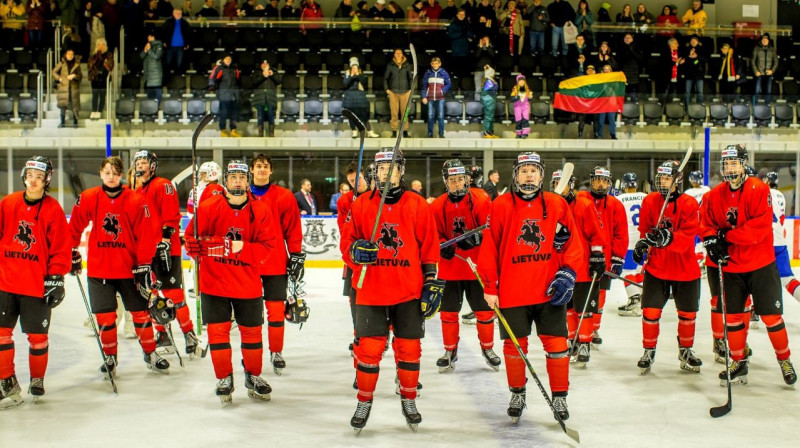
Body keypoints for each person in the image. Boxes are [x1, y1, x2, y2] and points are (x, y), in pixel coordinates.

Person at [477, 151, 580, 424]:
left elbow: (573, 244)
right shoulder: (500, 205)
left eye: (534, 170)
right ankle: (517, 393)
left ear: (542, 175)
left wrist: (568, 272)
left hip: (549, 289)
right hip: (512, 290)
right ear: (515, 175)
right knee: (514, 346)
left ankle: (559, 396)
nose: (529, 174)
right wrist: (490, 286)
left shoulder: (557, 205)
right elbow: (489, 248)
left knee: (557, 344)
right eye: (524, 170)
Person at [343, 148, 440, 433]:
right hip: (371, 291)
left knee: (409, 350)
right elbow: (347, 244)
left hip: (408, 292)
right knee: (369, 350)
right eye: (382, 168)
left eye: (392, 167)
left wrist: (431, 280)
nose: (387, 172)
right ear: (375, 172)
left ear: (401, 171)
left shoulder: (417, 204)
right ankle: (364, 400)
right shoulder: (361, 204)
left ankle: (409, 399)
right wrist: (355, 251)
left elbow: (429, 248)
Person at [701, 144, 796, 387]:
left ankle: (784, 360)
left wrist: (725, 237)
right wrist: (711, 238)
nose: (730, 168)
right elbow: (707, 223)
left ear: (744, 164)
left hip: (760, 265)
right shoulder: (714, 195)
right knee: (733, 318)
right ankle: (738, 361)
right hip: (732, 268)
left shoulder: (758, 189)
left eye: (734, 163)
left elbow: (757, 231)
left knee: (771, 317)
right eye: (726, 163)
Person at [69, 156, 170, 380]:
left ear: (122, 175)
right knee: (105, 317)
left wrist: (144, 264)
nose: (111, 177)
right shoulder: (89, 197)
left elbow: (146, 234)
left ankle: (150, 353)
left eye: (115, 173)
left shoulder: (135, 200)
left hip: (129, 270)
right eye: (107, 173)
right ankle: (110, 357)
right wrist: (71, 251)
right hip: (100, 270)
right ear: (101, 173)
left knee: (141, 314)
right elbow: (75, 225)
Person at [185, 160, 277, 404]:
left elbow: (268, 249)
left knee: (252, 333)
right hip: (214, 284)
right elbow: (191, 240)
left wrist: (238, 248)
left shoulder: (261, 210)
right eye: (233, 176)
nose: (237, 180)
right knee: (217, 333)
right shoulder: (207, 207)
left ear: (248, 181)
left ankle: (253, 375)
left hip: (247, 285)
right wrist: (194, 247)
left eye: (241, 177)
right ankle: (224, 377)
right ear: (225, 179)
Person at [0, 157, 70, 408]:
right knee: (1, 335)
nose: (33, 180)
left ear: (46, 180)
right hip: (6, 282)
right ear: (24, 175)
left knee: (38, 337)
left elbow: (61, 247)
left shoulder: (52, 209)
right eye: (30, 175)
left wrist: (57, 277)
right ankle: (7, 382)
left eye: (39, 177)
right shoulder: (7, 203)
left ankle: (37, 379)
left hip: (35, 285)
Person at [632, 160, 703, 374]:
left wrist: (667, 237)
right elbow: (645, 229)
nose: (663, 181)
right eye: (661, 177)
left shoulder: (689, 204)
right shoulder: (650, 201)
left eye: (667, 177)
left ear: (677, 180)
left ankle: (685, 350)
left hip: (686, 270)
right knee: (650, 312)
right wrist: (643, 244)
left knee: (687, 315)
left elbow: (686, 240)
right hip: (657, 268)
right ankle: (649, 350)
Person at [131, 150, 200, 357]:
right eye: (138, 162)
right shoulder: (137, 191)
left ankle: (188, 334)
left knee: (174, 295)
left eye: (144, 162)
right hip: (145, 252)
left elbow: (171, 216)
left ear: (152, 165)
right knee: (150, 295)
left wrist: (165, 241)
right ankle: (162, 334)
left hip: (165, 250)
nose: (140, 166)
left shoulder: (163, 185)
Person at [432, 159, 498, 373]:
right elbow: (433, 234)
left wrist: (478, 238)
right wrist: (441, 245)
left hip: (476, 267)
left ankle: (488, 349)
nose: (458, 183)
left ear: (467, 179)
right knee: (448, 313)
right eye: (453, 180)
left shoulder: (481, 198)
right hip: (450, 268)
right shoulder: (437, 205)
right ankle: (450, 351)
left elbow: (490, 229)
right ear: (446, 181)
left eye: (461, 178)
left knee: (484, 313)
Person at [247, 155, 304, 375]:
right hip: (248, 262)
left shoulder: (284, 196)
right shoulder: (240, 195)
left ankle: (276, 351)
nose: (262, 170)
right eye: (258, 166)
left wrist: (296, 254)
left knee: (275, 310)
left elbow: (292, 228)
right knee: (251, 314)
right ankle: (252, 353)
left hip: (275, 262)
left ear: (271, 171)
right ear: (251, 170)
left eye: (266, 167)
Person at [550, 170, 606, 368]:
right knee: (569, 309)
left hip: (582, 268)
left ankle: (585, 344)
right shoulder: (550, 205)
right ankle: (572, 342)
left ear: (570, 185)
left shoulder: (584, 205)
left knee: (585, 310)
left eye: (562, 183)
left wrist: (597, 257)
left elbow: (596, 234)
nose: (559, 186)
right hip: (561, 268)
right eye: (556, 182)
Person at [577, 166, 627, 346]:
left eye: (604, 180)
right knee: (580, 296)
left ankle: (594, 327)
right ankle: (580, 328)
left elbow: (620, 233)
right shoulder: (581, 200)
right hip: (581, 257)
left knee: (600, 295)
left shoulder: (615, 205)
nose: (600, 183)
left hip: (603, 259)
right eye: (597, 179)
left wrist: (618, 258)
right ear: (591, 181)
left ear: (609, 183)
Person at [765, 172, 800, 304]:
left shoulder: (763, 193)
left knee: (753, 277)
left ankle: (754, 311)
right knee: (788, 279)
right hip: (780, 240)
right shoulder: (781, 196)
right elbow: (781, 218)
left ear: (767, 181)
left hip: (765, 242)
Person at [616, 172, 646, 316]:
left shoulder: (620, 198)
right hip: (644, 239)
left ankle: (634, 300)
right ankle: (643, 300)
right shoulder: (645, 196)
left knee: (628, 271)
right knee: (640, 269)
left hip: (628, 240)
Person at [343, 57, 379, 138]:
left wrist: (358, 75)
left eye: (356, 66)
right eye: (353, 66)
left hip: (360, 96)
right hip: (350, 96)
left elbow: (364, 82)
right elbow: (345, 83)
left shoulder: (361, 74)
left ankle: (370, 132)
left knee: (364, 115)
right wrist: (351, 76)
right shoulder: (348, 73)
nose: (354, 68)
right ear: (350, 66)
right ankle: (354, 131)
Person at [384, 48, 414, 138]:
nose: (398, 54)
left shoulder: (407, 65)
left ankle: (404, 131)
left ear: (402, 54)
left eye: (400, 53)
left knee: (405, 113)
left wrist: (410, 90)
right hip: (393, 92)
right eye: (396, 53)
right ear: (394, 54)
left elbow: (411, 78)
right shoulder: (390, 65)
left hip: (405, 92)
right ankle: (394, 131)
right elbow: (385, 78)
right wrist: (387, 89)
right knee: (394, 113)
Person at [210, 55, 241, 138]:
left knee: (234, 114)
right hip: (224, 94)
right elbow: (212, 78)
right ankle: (223, 130)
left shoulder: (235, 69)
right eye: (226, 58)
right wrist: (212, 86)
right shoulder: (219, 68)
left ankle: (233, 130)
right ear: (223, 60)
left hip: (234, 95)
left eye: (230, 59)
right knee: (223, 113)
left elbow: (238, 80)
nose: (228, 60)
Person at [421, 57, 451, 138]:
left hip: (440, 98)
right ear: (431, 64)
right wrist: (424, 96)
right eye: (433, 63)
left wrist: (442, 91)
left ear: (440, 64)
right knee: (430, 116)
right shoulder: (427, 73)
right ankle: (430, 133)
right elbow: (424, 86)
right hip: (430, 98)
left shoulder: (444, 73)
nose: (435, 65)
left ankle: (441, 133)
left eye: (436, 63)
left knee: (440, 116)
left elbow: (449, 84)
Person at [252, 58, 282, 138]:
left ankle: (271, 133)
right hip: (260, 97)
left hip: (270, 97)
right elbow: (254, 82)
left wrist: (272, 75)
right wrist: (263, 75)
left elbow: (279, 81)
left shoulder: (274, 72)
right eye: (263, 64)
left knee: (271, 115)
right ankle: (260, 133)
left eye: (266, 64)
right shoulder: (257, 72)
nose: (264, 65)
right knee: (260, 115)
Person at [53, 49, 82, 128]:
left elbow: (80, 76)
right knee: (63, 105)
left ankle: (75, 121)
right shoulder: (61, 63)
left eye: (72, 54)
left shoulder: (76, 64)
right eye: (68, 54)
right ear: (65, 55)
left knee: (74, 105)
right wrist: (59, 78)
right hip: (64, 86)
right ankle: (62, 121)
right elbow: (54, 72)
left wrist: (74, 76)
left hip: (73, 86)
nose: (70, 56)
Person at [87, 38, 114, 120]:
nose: (100, 46)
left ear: (105, 46)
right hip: (95, 77)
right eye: (99, 44)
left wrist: (104, 63)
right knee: (95, 95)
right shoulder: (93, 55)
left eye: (102, 44)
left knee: (102, 95)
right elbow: (89, 66)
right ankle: (94, 110)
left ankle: (99, 111)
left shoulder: (108, 55)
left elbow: (110, 65)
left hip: (104, 77)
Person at [752, 33, 778, 105]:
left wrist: (772, 70)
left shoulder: (772, 49)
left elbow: (776, 61)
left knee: (768, 91)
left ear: (768, 41)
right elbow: (753, 61)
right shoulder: (756, 48)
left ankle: (767, 105)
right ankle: (755, 105)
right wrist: (756, 71)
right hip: (759, 73)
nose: (764, 41)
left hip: (768, 73)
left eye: (766, 39)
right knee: (756, 90)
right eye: (763, 39)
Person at [446, 8, 473, 78]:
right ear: (457, 15)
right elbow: (451, 35)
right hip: (456, 51)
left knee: (465, 71)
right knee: (456, 71)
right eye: (460, 14)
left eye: (463, 15)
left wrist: (466, 33)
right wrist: (461, 33)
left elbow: (471, 34)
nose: (461, 16)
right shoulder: (453, 24)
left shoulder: (468, 24)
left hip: (465, 50)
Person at [161, 8, 190, 73]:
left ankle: (178, 80)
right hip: (170, 46)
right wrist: (164, 41)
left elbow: (189, 34)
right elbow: (163, 32)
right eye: (177, 13)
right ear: (173, 14)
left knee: (179, 64)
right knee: (168, 63)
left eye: (180, 13)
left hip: (181, 46)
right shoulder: (168, 22)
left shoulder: (185, 23)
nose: (178, 14)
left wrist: (187, 43)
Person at [617, 33, 642, 101]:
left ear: (632, 39)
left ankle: (634, 109)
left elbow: (640, 58)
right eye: (626, 38)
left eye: (629, 37)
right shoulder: (620, 48)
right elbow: (619, 60)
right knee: (623, 96)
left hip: (633, 74)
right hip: (623, 73)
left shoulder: (636, 47)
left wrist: (631, 49)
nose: (627, 39)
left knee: (633, 95)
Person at [682, 35, 706, 107]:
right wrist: (689, 56)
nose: (693, 42)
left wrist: (697, 57)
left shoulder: (702, 49)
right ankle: (687, 107)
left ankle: (700, 107)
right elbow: (684, 60)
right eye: (692, 41)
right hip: (688, 73)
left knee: (700, 92)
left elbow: (705, 59)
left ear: (698, 42)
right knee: (687, 92)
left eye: (695, 40)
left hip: (699, 74)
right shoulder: (686, 49)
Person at [141, 30, 163, 103]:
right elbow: (141, 56)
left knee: (157, 97)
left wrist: (149, 50)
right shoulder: (147, 45)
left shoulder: (159, 45)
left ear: (153, 37)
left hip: (156, 75)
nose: (148, 37)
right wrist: (145, 50)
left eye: (149, 36)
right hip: (148, 75)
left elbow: (156, 56)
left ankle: (157, 109)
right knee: (150, 98)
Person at [659, 38, 682, 105]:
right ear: (671, 44)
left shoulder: (678, 53)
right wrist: (676, 63)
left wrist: (680, 63)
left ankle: (668, 110)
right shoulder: (664, 52)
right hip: (666, 77)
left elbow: (678, 63)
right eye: (676, 43)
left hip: (675, 77)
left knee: (671, 95)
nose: (678, 45)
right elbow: (665, 64)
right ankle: (662, 110)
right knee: (664, 95)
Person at [472, 35, 496, 101]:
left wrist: (488, 47)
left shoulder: (492, 47)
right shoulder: (477, 47)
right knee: (478, 89)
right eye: (484, 40)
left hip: (489, 72)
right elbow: (476, 56)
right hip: (478, 71)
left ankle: (488, 103)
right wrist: (480, 47)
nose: (485, 42)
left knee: (489, 89)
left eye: (486, 40)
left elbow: (493, 56)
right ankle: (477, 103)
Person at [510, 74, 532, 139]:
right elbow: (512, 98)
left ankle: (525, 133)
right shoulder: (515, 89)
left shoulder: (527, 89)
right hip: (517, 106)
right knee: (518, 120)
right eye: (520, 81)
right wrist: (518, 97)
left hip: (525, 106)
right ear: (518, 81)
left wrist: (530, 97)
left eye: (523, 81)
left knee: (525, 119)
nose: (521, 82)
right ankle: (518, 134)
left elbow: (530, 97)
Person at [480, 64, 499, 138]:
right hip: (488, 101)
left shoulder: (490, 81)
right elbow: (493, 90)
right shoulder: (488, 81)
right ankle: (486, 132)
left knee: (491, 117)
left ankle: (490, 132)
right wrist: (496, 84)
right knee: (488, 117)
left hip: (491, 101)